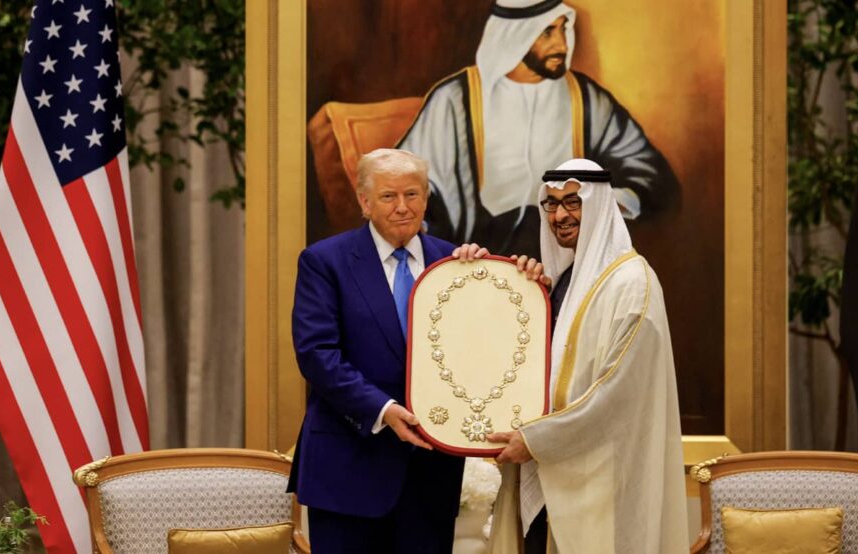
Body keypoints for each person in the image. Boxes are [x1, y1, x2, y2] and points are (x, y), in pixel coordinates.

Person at [287, 149, 489, 552]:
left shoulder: (455, 262)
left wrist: (503, 280)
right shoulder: (325, 261)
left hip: (430, 477)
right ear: (365, 202)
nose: (402, 207)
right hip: (348, 468)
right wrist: (383, 409)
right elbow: (317, 354)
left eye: (412, 194)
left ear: (425, 199)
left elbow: (481, 347)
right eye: (388, 196)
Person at [485, 158, 688, 553]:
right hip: (545, 472)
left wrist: (537, 440)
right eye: (552, 203)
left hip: (597, 483)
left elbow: (617, 395)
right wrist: (524, 295)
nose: (560, 215)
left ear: (599, 205)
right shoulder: (564, 282)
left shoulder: (632, 284)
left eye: (573, 202)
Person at [397, 0, 678, 257]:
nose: (562, 44)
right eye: (547, 33)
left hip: (564, 256)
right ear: (515, 36)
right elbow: (404, 178)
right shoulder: (456, 98)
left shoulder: (585, 98)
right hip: (476, 257)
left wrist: (597, 206)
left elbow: (648, 171)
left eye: (563, 29)